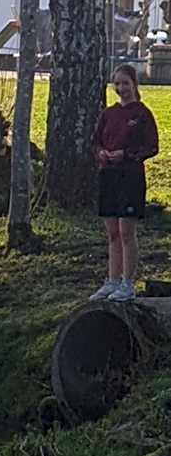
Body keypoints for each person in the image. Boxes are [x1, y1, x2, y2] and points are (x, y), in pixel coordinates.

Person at [90, 63, 159, 302]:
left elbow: (152, 147)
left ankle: (127, 283)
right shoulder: (108, 113)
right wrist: (101, 154)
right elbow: (95, 141)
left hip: (130, 177)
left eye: (125, 83)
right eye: (117, 83)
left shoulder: (142, 114)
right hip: (108, 175)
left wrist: (127, 155)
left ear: (134, 84)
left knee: (126, 231)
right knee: (112, 233)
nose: (121, 88)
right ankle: (112, 280)